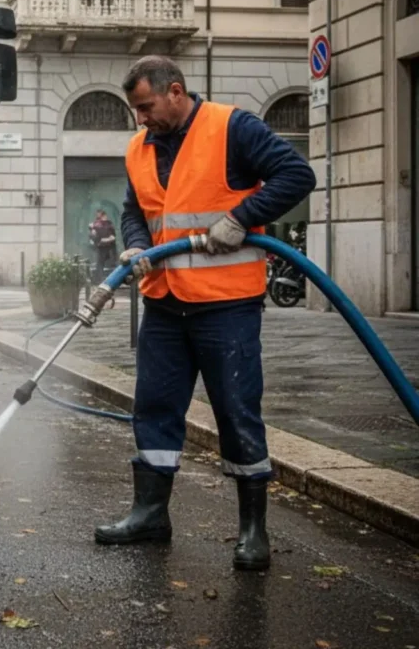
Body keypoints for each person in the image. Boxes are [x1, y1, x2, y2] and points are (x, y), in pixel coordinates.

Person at [93, 56, 316, 571]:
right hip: (163, 301)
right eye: (135, 110)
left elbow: (296, 175)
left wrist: (241, 218)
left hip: (225, 305)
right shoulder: (139, 147)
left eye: (146, 106)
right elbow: (134, 210)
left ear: (176, 91)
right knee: (154, 407)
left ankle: (253, 530)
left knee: (236, 412)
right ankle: (150, 514)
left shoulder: (232, 128)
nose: (140, 118)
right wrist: (135, 244)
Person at [88, 209, 118, 284]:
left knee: (110, 264)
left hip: (109, 248)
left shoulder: (108, 224)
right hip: (101, 248)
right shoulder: (96, 225)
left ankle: (108, 281)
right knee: (101, 265)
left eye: (100, 215)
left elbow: (112, 237)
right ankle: (100, 281)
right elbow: (93, 236)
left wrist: (104, 240)